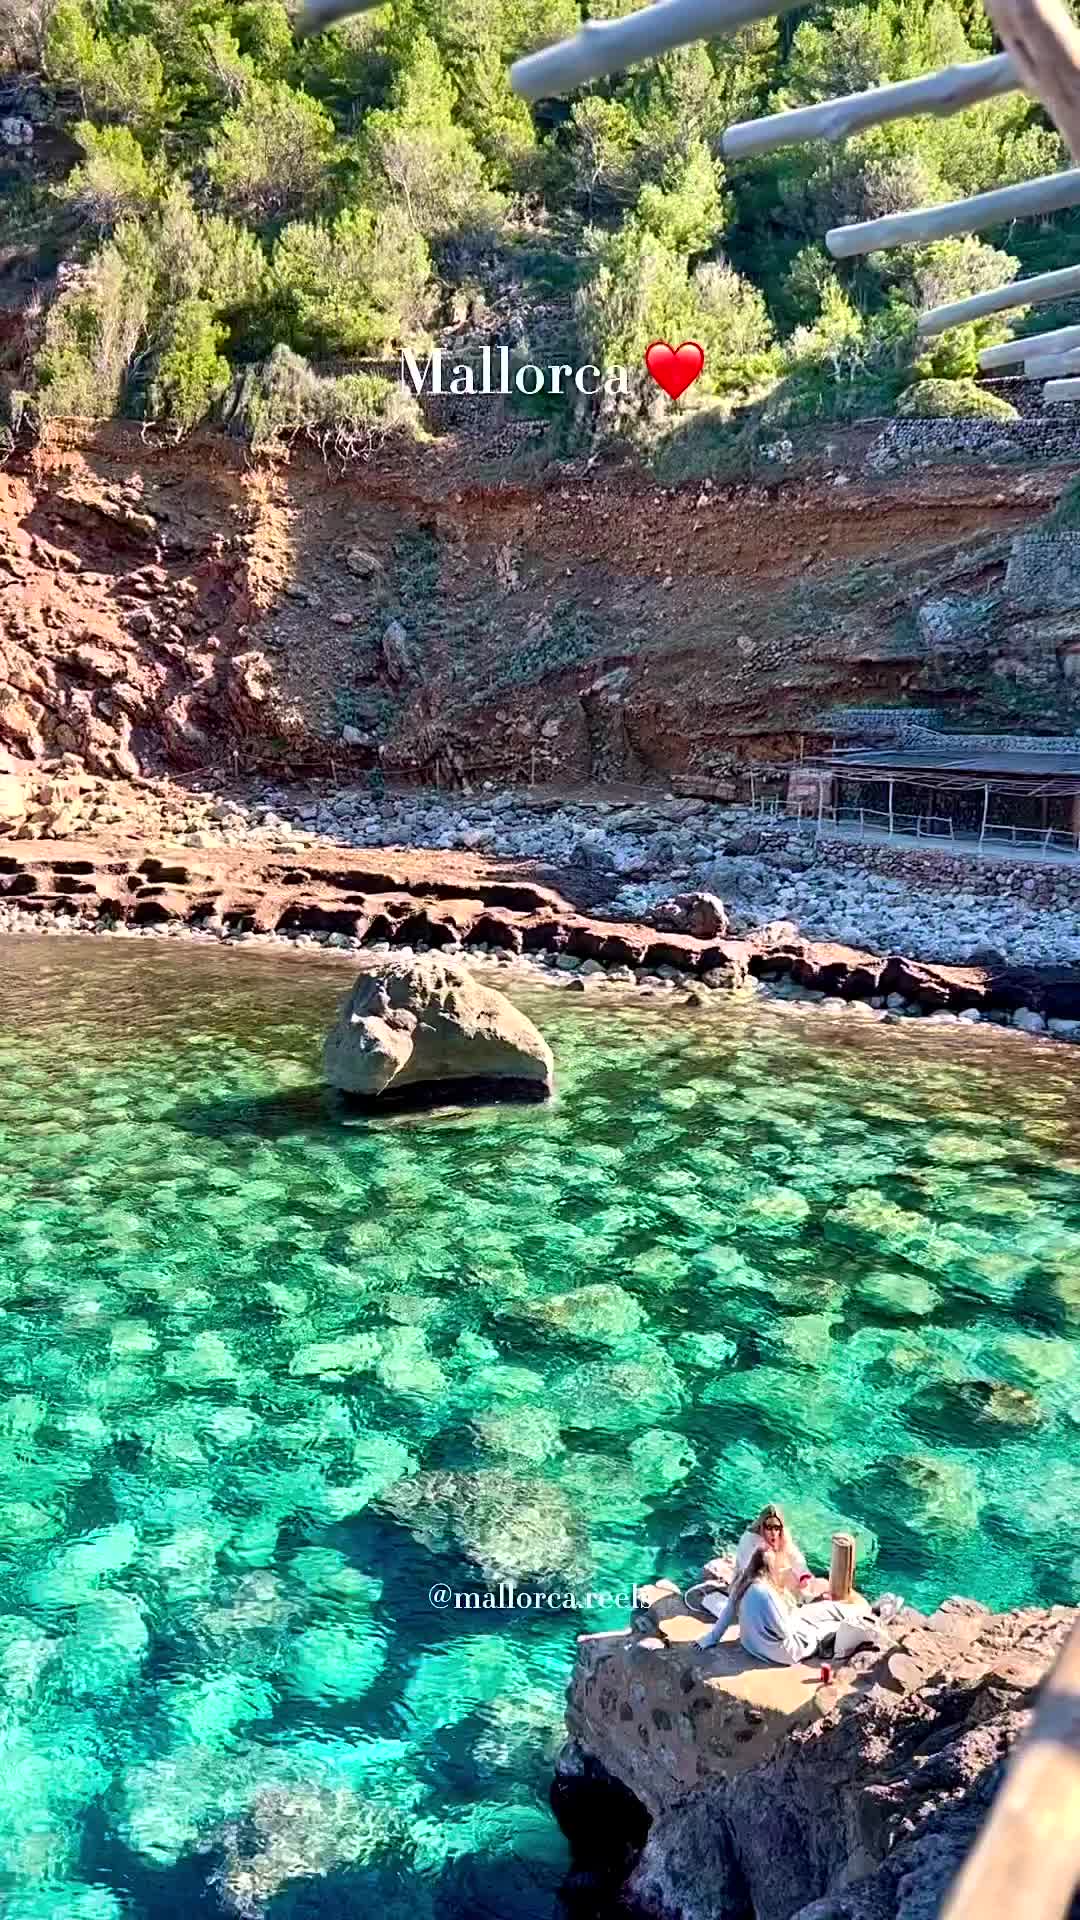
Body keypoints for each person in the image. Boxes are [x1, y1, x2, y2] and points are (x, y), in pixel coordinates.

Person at [695, 1548, 887, 1667]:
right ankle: (868, 1614)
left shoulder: (743, 1582)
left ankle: (859, 1610)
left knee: (818, 1610)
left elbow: (727, 1614)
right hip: (781, 1651)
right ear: (770, 1569)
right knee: (829, 1626)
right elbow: (785, 1631)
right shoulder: (765, 1594)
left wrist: (710, 1639)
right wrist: (799, 1619)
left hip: (753, 1644)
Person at [734, 1504, 813, 1595]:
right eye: (769, 1527)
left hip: (773, 1578)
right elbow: (749, 1571)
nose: (773, 1533)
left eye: (776, 1527)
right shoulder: (750, 1540)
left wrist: (803, 1576)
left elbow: (795, 1556)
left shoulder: (782, 1536)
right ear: (762, 1525)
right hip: (750, 1585)